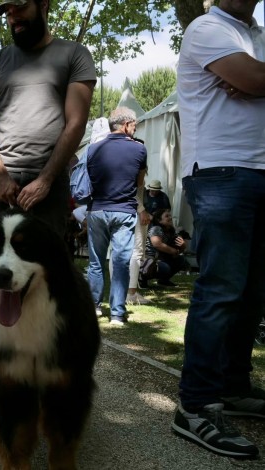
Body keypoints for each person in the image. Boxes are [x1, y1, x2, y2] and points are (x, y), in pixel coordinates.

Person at [0, 0, 96, 402]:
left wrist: (46, 178)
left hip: (51, 186)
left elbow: (76, 121)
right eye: (6, 12)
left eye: (20, 6)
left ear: (44, 4)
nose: (13, 17)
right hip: (0, 182)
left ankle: (46, 374)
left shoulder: (74, 54)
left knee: (52, 282)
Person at [171, 0, 265, 458]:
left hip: (258, 172)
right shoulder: (207, 28)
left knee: (253, 291)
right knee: (222, 289)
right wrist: (255, 81)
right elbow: (255, 79)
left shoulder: (257, 37)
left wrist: (255, 81)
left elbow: (255, 81)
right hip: (221, 172)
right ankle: (195, 407)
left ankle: (232, 387)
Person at [86, 107, 146, 326]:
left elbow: (90, 179)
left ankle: (94, 306)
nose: (135, 130)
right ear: (127, 124)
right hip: (124, 210)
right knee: (120, 261)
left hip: (98, 209)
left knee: (96, 262)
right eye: (135, 126)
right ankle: (117, 314)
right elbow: (140, 183)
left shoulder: (93, 149)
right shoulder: (139, 150)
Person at [142, 208, 188, 287]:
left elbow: (177, 251)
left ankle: (163, 281)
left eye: (170, 216)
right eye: (167, 216)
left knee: (181, 260)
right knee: (165, 268)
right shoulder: (156, 228)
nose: (170, 218)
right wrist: (173, 251)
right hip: (148, 260)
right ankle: (142, 278)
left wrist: (183, 246)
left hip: (161, 260)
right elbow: (157, 244)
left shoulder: (171, 231)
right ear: (159, 220)